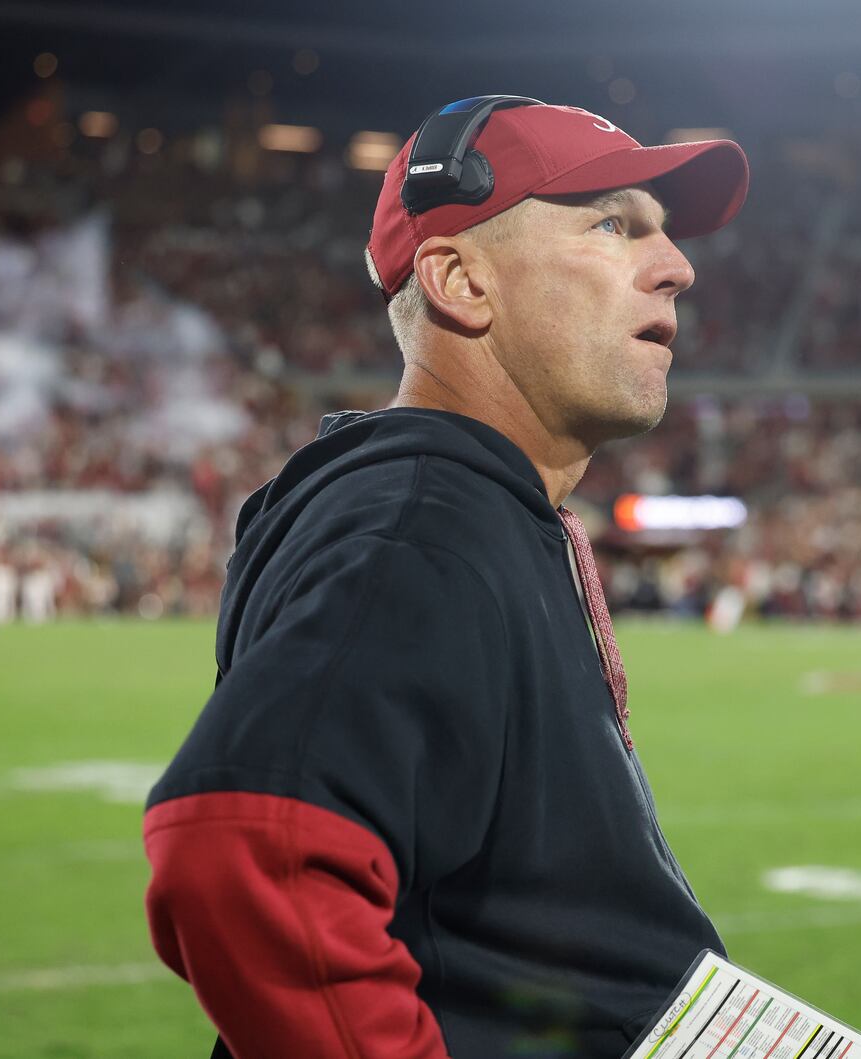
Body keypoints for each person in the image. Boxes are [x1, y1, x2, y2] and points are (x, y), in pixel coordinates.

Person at [144, 97, 748, 1058]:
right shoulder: (424, 525)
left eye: (664, 232)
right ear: (461, 280)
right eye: (612, 223)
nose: (677, 265)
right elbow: (246, 851)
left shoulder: (469, 511)